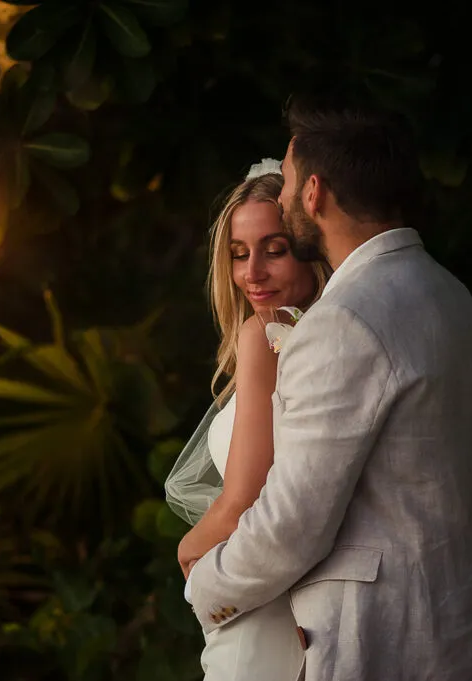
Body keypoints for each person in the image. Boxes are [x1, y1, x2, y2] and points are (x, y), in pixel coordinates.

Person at [179, 95, 472, 681]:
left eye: (285, 187)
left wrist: (204, 587)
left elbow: (291, 524)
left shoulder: (345, 321)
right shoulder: (451, 296)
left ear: (314, 193)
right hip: (468, 642)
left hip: (386, 647)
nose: (281, 203)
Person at [164, 162, 330, 681]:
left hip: (258, 609)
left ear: (309, 248)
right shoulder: (322, 340)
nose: (252, 272)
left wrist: (189, 549)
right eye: (239, 255)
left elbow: (240, 504)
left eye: (274, 250)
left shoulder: (265, 338)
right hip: (291, 610)